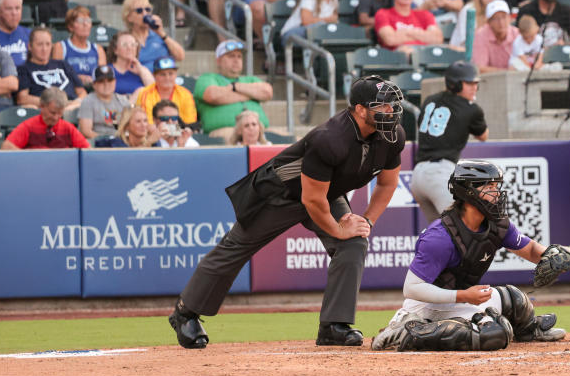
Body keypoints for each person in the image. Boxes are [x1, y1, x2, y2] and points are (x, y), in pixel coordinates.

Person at [170, 75, 405, 349]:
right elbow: (312, 200)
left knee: (354, 241)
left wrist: (366, 221)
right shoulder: (330, 138)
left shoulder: (392, 135)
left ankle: (334, 326)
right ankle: (185, 312)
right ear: (361, 110)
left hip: (326, 193)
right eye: (382, 105)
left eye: (391, 104)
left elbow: (387, 183)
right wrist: (339, 228)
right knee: (235, 248)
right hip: (280, 192)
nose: (390, 110)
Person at [371, 160, 570, 352]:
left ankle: (530, 331)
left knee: (515, 298)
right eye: (489, 187)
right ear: (468, 193)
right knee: (494, 334)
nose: (497, 192)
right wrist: (463, 296)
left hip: (461, 299)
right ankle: (409, 331)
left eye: (497, 186)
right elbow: (412, 288)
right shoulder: (440, 237)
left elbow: (530, 250)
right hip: (428, 306)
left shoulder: (497, 224)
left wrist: (553, 255)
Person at [410, 61, 489, 224]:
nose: (474, 87)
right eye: (469, 83)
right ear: (455, 84)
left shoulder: (430, 99)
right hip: (439, 175)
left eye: (475, 83)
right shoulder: (471, 109)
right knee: (464, 227)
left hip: (418, 176)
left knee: (440, 232)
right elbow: (483, 136)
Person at [194, 40, 273, 139]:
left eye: (239, 56)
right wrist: (251, 94)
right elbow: (212, 95)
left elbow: (267, 92)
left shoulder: (250, 79)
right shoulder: (207, 78)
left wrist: (235, 87)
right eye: (231, 56)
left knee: (288, 140)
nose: (236, 60)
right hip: (226, 132)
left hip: (260, 129)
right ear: (218, 60)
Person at [14, 27, 85, 109]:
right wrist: (55, 104)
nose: (44, 49)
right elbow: (22, 98)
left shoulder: (63, 64)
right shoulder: (24, 69)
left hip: (71, 108)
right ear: (29, 46)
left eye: (48, 44)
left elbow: (82, 92)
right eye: (39, 44)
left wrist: (76, 103)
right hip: (44, 110)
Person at [1, 88, 89, 150]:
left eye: (60, 114)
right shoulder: (29, 126)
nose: (56, 118)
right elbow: (7, 147)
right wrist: (28, 156)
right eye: (52, 113)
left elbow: (87, 150)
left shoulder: (68, 128)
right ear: (42, 106)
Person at [374, 0, 443, 51]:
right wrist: (422, 34)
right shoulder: (383, 14)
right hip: (400, 55)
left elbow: (437, 39)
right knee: (405, 50)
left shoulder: (425, 14)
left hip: (425, 52)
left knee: (452, 49)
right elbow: (390, 39)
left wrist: (405, 33)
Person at [133, 55, 196, 125]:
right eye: (162, 74)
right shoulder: (145, 93)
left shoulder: (185, 94)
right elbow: (147, 124)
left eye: (170, 74)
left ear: (176, 74)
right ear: (154, 76)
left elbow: (190, 123)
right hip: (154, 131)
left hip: (180, 130)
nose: (167, 78)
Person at [51, 6, 105, 88]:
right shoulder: (60, 47)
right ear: (70, 26)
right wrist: (77, 78)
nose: (85, 24)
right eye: (80, 21)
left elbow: (103, 76)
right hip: (70, 90)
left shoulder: (98, 49)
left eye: (88, 20)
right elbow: (57, 74)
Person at [77, 65, 130, 140]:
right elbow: (86, 131)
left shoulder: (123, 101)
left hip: (120, 141)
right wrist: (107, 140)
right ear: (94, 84)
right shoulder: (88, 101)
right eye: (101, 81)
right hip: (97, 143)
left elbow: (130, 127)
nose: (106, 84)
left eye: (110, 80)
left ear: (115, 82)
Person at [472, 0, 524, 72]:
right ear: (489, 22)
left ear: (510, 18)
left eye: (504, 17)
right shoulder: (480, 35)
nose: (501, 22)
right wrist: (507, 72)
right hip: (490, 78)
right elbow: (480, 68)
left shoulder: (517, 34)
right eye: (496, 18)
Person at [107, 32, 153, 96]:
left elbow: (153, 91)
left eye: (133, 45)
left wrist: (140, 70)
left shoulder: (142, 70)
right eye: (124, 45)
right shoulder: (107, 70)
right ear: (115, 50)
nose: (129, 48)